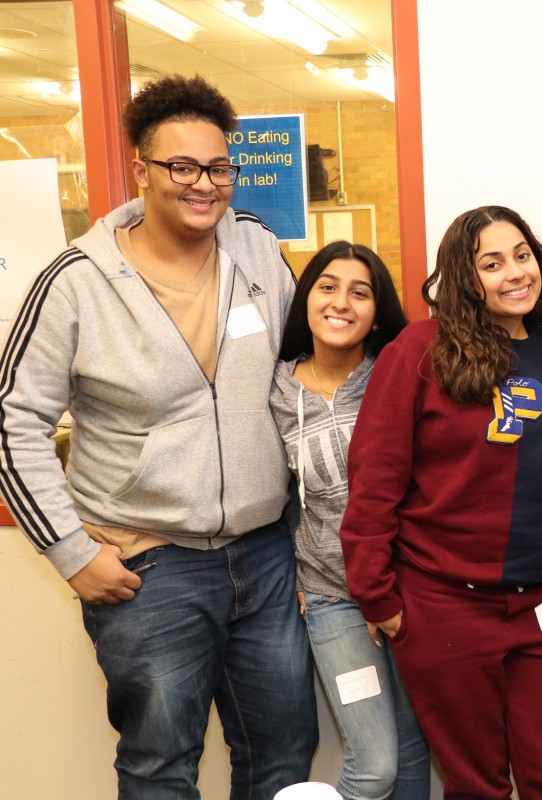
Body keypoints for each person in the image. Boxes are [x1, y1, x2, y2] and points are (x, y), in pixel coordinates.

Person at [0, 74, 317, 796]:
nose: (203, 185)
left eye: (218, 167)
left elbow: (310, 368)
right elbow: (11, 419)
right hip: (150, 568)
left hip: (265, 558)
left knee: (282, 755)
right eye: (181, 167)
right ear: (141, 169)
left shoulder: (260, 252)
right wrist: (71, 552)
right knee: (160, 765)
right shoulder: (75, 280)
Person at [338, 206, 542, 800]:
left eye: (522, 255)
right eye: (492, 263)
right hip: (442, 607)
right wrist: (378, 595)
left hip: (538, 604)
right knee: (477, 784)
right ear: (465, 277)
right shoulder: (421, 347)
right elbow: (374, 476)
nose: (514, 273)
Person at [271, 241, 430, 800]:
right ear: (306, 299)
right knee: (375, 765)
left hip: (406, 592)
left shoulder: (398, 378)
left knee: (414, 750)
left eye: (360, 292)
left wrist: (383, 591)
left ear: (377, 309)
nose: (342, 303)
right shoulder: (274, 390)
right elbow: (275, 496)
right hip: (331, 599)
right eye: (328, 287)